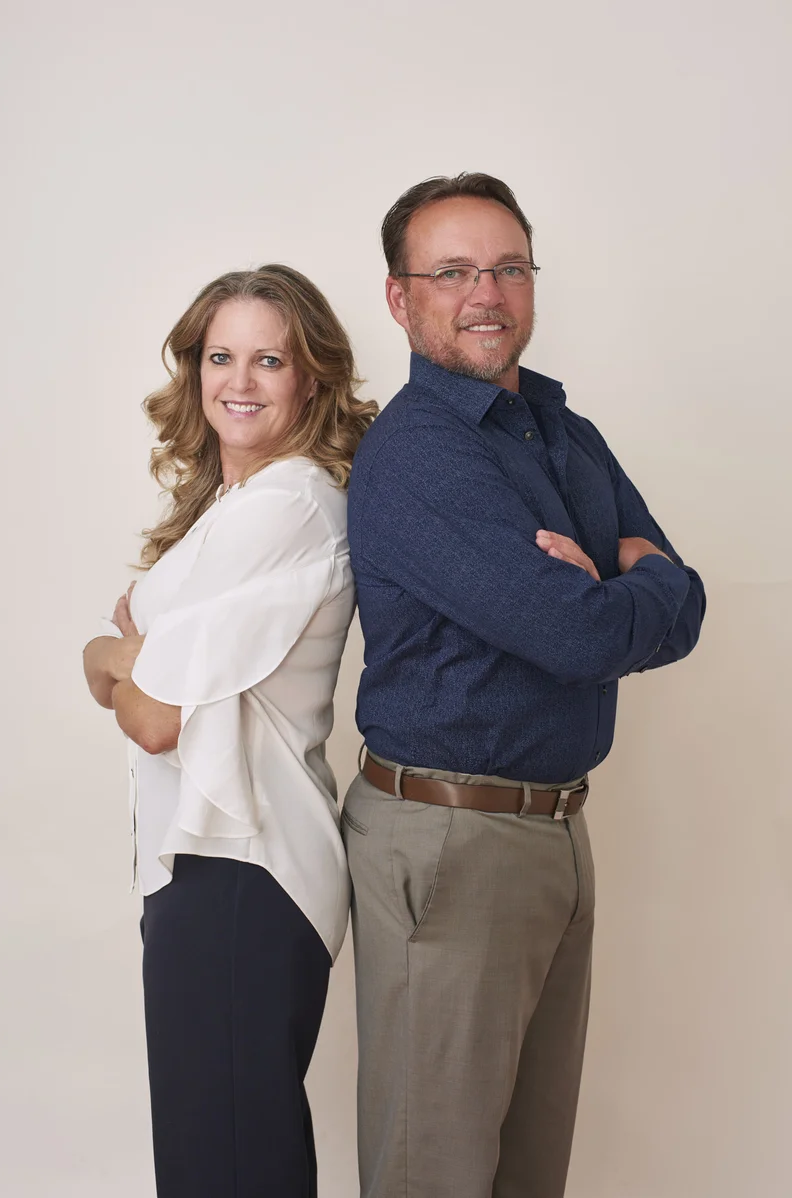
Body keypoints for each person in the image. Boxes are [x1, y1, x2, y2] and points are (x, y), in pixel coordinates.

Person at [343, 173, 706, 1198]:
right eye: (452, 272)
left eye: (507, 268)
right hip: (452, 844)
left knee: (527, 1173)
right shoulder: (420, 452)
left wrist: (631, 587)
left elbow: (683, 601)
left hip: (553, 832)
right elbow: (577, 630)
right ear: (399, 297)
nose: (486, 294)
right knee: (434, 1174)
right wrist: (624, 587)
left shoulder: (562, 431)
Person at [82, 265, 376, 1198]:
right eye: (220, 356)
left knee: (230, 1166)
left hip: (244, 866)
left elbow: (155, 717)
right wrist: (122, 655)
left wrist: (110, 651)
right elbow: (133, 680)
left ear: (311, 379)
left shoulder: (292, 506)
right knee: (209, 1160)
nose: (239, 381)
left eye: (269, 360)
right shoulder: (230, 509)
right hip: (202, 863)